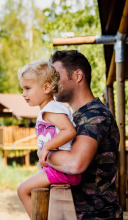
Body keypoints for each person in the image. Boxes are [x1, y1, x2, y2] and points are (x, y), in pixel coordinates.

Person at [45, 50, 123, 219]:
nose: (51, 83)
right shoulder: (74, 117)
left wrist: (44, 153)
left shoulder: (95, 115)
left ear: (78, 75)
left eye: (56, 76)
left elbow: (74, 164)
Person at [16, 60, 81, 218]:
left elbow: (69, 131)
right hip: (58, 169)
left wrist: (46, 148)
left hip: (63, 171)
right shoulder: (50, 109)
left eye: (28, 88)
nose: (24, 94)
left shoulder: (51, 110)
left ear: (46, 87)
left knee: (22, 190)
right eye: (23, 89)